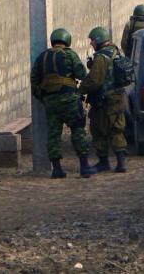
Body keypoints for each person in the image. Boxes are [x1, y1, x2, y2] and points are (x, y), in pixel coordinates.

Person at [31, 28, 99, 178]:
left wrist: (43, 97)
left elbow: (34, 80)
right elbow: (82, 74)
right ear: (67, 40)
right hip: (69, 100)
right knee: (77, 130)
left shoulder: (42, 57)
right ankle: (84, 167)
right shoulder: (69, 55)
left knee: (54, 134)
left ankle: (57, 169)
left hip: (50, 102)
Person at [80, 26, 128, 173]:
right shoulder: (117, 52)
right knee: (117, 129)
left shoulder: (101, 58)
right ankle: (121, 162)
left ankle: (103, 162)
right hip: (119, 98)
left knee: (99, 130)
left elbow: (94, 81)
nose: (91, 43)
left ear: (99, 40)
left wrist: (81, 90)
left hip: (104, 101)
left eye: (92, 40)